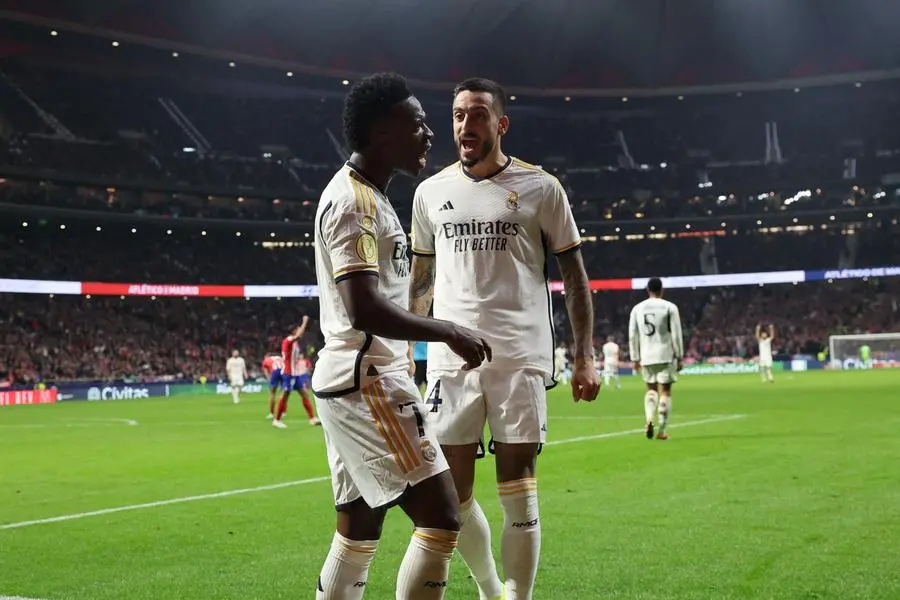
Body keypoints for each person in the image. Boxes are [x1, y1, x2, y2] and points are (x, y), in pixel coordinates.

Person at [409, 77, 599, 600]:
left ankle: (517, 597)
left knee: (518, 492)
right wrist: (407, 350)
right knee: (452, 497)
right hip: (451, 362)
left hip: (520, 357)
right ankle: (491, 587)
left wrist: (584, 356)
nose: (465, 125)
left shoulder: (542, 188)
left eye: (476, 114)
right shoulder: (430, 192)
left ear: (500, 123)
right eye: (457, 115)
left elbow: (576, 279)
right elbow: (420, 283)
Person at [312, 72, 493, 600]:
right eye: (416, 124)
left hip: (354, 380)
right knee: (441, 514)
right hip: (370, 383)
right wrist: (447, 331)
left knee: (358, 528)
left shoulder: (369, 196)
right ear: (381, 132)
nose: (429, 133)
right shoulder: (355, 204)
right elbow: (363, 306)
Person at [629, 278, 684, 441]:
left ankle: (648, 419)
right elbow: (676, 334)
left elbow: (633, 335)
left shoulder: (637, 309)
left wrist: (635, 358)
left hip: (646, 355)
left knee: (651, 390)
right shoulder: (670, 307)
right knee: (665, 391)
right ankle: (661, 430)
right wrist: (679, 356)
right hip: (665, 355)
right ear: (662, 290)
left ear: (648, 290)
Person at [274, 316, 320, 428]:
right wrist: (304, 322)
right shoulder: (289, 340)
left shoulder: (294, 343)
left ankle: (312, 418)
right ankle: (276, 420)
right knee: (285, 395)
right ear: (294, 331)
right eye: (298, 328)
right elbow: (299, 335)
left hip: (295, 374)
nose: (300, 329)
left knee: (304, 394)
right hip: (288, 374)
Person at [261, 353, 285, 418]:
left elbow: (266, 373)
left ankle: (271, 413)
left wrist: (269, 380)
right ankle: (283, 412)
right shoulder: (280, 358)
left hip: (275, 371)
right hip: (284, 371)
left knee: (272, 394)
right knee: (283, 393)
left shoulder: (266, 359)